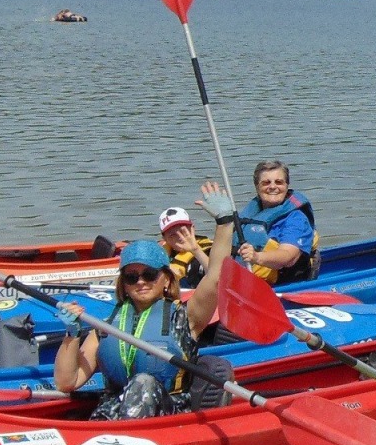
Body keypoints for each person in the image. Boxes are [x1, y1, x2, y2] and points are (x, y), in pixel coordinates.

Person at [52, 181, 236, 419]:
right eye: (131, 276)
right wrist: (71, 337)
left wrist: (224, 223)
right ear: (123, 284)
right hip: (113, 415)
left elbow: (216, 277)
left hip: (166, 417)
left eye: (150, 275)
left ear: (167, 280)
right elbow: (67, 382)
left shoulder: (186, 318)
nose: (140, 282)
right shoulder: (106, 326)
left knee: (144, 382)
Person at [234, 160, 318, 285]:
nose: (273, 187)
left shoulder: (296, 219)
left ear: (287, 185)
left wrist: (256, 257)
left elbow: (289, 256)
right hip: (242, 280)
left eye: (279, 182)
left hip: (282, 284)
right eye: (266, 183)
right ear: (257, 187)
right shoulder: (252, 213)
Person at [158, 206, 210, 288]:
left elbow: (217, 276)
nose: (180, 237)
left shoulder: (210, 251)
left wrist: (196, 250)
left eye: (183, 231)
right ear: (165, 238)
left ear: (192, 228)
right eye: (173, 235)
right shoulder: (159, 254)